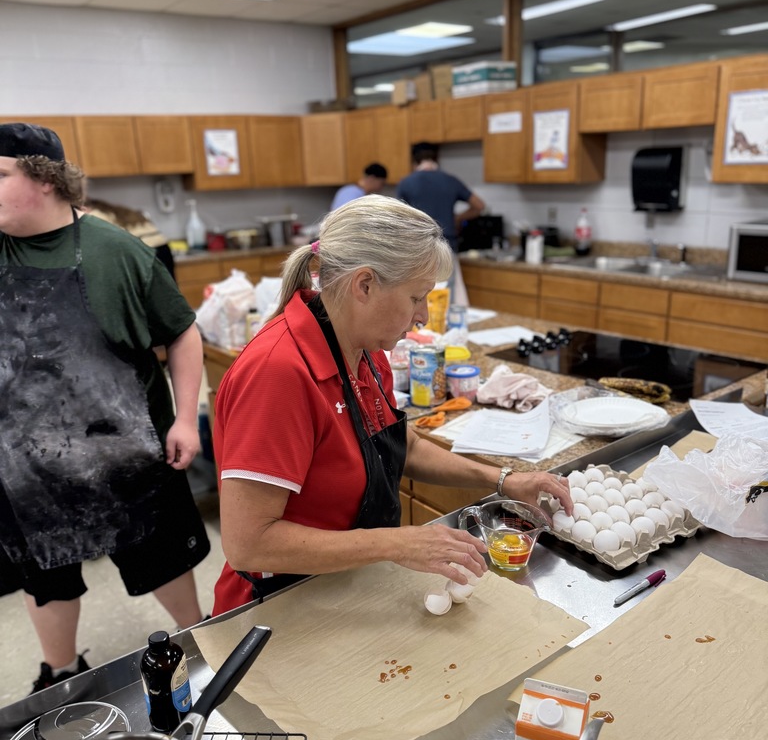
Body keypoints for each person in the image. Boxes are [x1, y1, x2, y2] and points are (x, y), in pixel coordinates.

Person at [211, 195, 572, 615]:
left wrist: (505, 481)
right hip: (278, 606)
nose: (422, 316)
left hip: (347, 586)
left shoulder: (365, 348)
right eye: (417, 297)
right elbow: (248, 544)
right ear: (364, 285)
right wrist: (397, 542)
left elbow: (404, 446)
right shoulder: (279, 373)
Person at [0, 122, 210, 692]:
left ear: (43, 179)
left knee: (161, 560)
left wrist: (187, 417)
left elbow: (183, 333)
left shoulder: (116, 252)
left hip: (128, 454)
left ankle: (201, 643)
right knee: (45, 575)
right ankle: (61, 674)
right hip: (24, 468)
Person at [396, 142, 485, 253]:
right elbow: (479, 206)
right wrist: (458, 218)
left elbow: (398, 217)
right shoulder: (451, 180)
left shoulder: (406, 183)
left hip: (418, 245)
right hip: (447, 245)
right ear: (436, 160)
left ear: (414, 162)